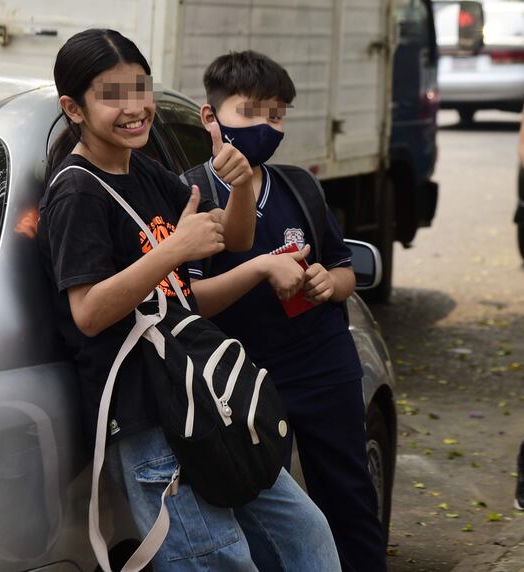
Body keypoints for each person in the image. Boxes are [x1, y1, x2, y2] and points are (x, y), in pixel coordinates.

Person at [37, 29, 340, 571]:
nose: (135, 107)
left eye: (141, 88)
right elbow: (88, 312)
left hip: (201, 398)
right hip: (148, 416)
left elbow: (235, 237)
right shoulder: (77, 192)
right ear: (74, 108)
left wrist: (240, 185)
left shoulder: (143, 170)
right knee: (222, 561)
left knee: (306, 535)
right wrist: (174, 248)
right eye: (112, 95)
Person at [186, 50, 387, 572]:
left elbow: (344, 272)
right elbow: (190, 300)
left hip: (323, 364)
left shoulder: (300, 186)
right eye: (250, 111)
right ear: (210, 116)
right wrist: (259, 271)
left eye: (276, 115)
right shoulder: (189, 194)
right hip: (239, 379)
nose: (265, 126)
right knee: (266, 512)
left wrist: (326, 282)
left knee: (349, 499)